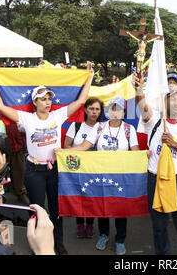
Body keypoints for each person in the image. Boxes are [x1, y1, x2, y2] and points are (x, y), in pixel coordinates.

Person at [0, 69, 94, 255]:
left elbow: (80, 101)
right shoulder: (27, 118)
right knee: (36, 208)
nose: (48, 102)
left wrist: (90, 77)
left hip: (54, 170)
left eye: (49, 99)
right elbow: (2, 108)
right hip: (33, 170)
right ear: (35, 102)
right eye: (43, 99)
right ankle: (37, 243)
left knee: (56, 208)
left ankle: (57, 242)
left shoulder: (57, 116)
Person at [63, 97, 139, 255]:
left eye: (118, 109)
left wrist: (144, 155)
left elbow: (135, 151)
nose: (115, 112)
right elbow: (84, 146)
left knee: (120, 209)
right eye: (112, 108)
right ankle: (103, 235)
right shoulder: (99, 127)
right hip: (102, 174)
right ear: (108, 111)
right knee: (102, 205)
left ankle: (120, 240)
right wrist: (64, 152)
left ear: (123, 112)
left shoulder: (129, 129)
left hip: (121, 176)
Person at [133, 71, 177, 255]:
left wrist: (173, 143)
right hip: (156, 180)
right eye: (171, 99)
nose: (176, 103)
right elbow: (141, 103)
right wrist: (138, 87)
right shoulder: (153, 120)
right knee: (159, 228)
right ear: (165, 103)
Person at [63, 97, 104, 240]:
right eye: (91, 108)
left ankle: (90, 224)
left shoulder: (103, 127)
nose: (94, 112)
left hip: (95, 169)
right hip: (77, 168)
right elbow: (66, 146)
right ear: (86, 110)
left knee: (92, 197)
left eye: (97, 109)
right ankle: (80, 224)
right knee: (78, 196)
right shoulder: (75, 126)